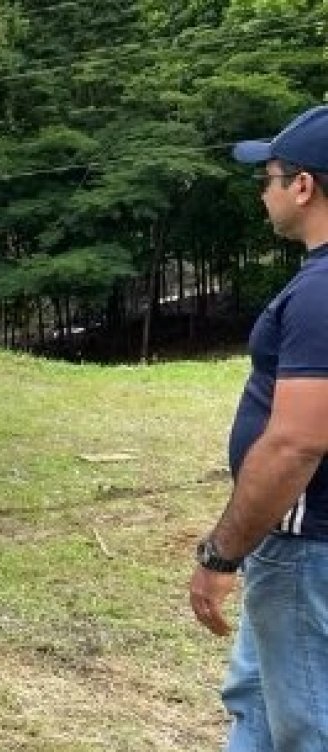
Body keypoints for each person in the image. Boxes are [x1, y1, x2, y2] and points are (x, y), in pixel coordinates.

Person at [188, 104, 328, 751]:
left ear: (302, 186)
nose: (262, 191)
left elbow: (296, 442)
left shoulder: (321, 295)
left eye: (268, 176)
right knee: (255, 701)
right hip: (296, 547)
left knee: (306, 725)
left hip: (303, 549)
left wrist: (222, 553)